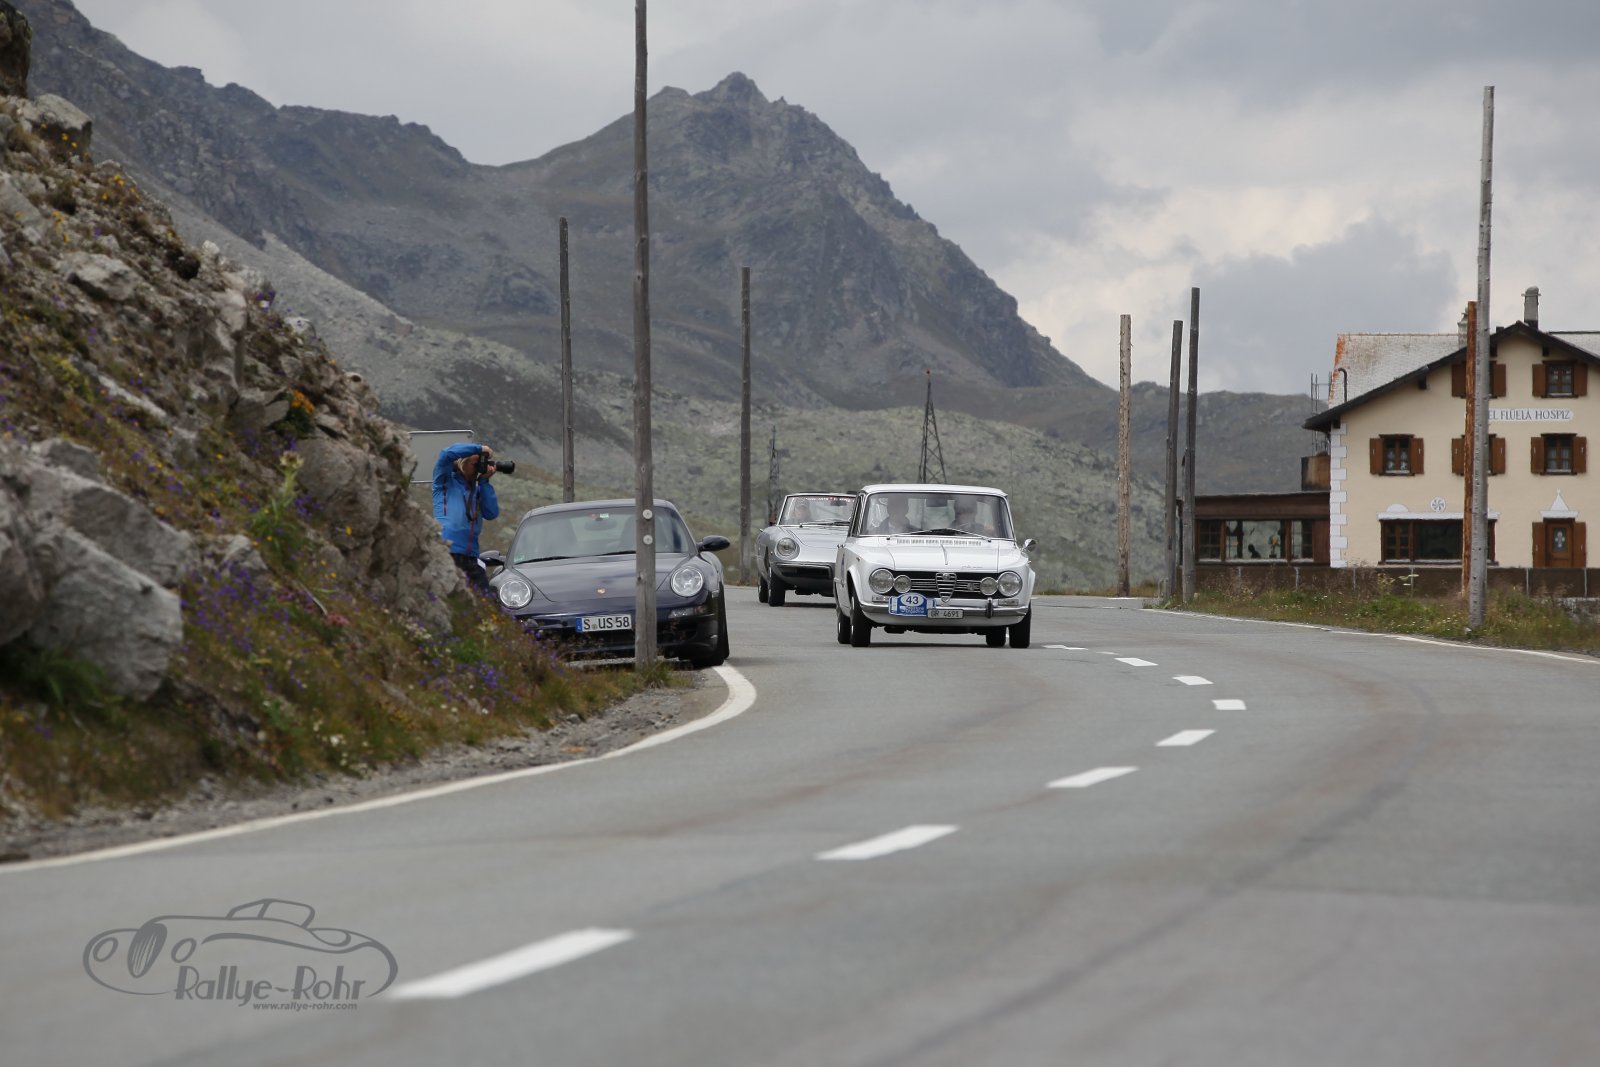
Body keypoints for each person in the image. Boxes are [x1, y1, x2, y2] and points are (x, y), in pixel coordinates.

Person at [432, 441, 500, 596]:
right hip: (448, 550)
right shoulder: (445, 481)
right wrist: (479, 449)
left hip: (471, 555)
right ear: (463, 461)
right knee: (451, 597)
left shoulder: (477, 490)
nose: (478, 467)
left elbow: (491, 513)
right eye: (475, 463)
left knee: (485, 600)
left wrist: (484, 482)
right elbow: (446, 454)